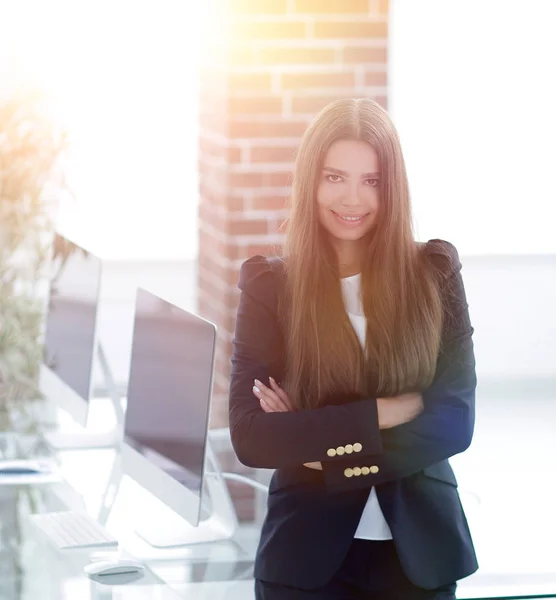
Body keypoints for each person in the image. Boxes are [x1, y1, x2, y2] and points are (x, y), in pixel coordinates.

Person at [229, 97, 478, 599]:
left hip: (419, 558)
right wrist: (387, 411)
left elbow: (453, 422)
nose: (352, 199)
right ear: (310, 181)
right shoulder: (270, 287)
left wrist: (315, 443)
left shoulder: (435, 274)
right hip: (303, 560)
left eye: (372, 181)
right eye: (335, 177)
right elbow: (252, 437)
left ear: (394, 188)